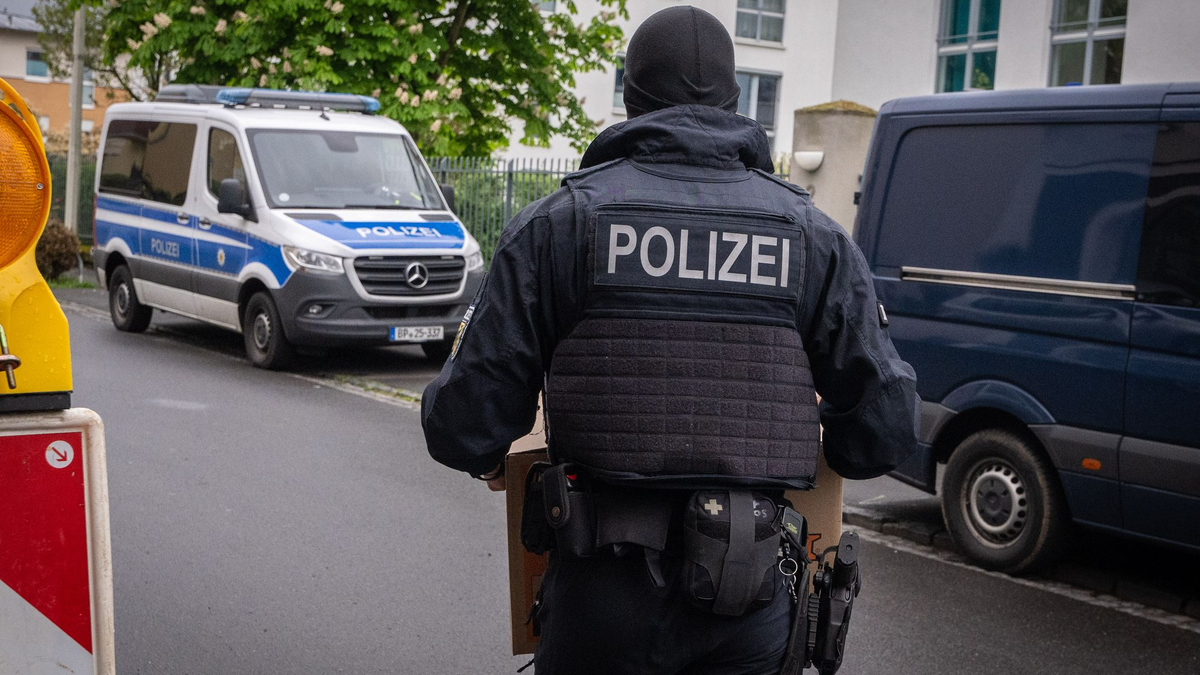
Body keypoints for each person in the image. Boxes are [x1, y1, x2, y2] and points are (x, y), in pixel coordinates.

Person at [422, 6, 918, 674]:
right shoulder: (812, 236)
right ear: (735, 103)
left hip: (600, 596)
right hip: (749, 598)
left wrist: (491, 451)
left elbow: (462, 426)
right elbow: (885, 430)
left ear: (631, 102)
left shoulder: (560, 224)